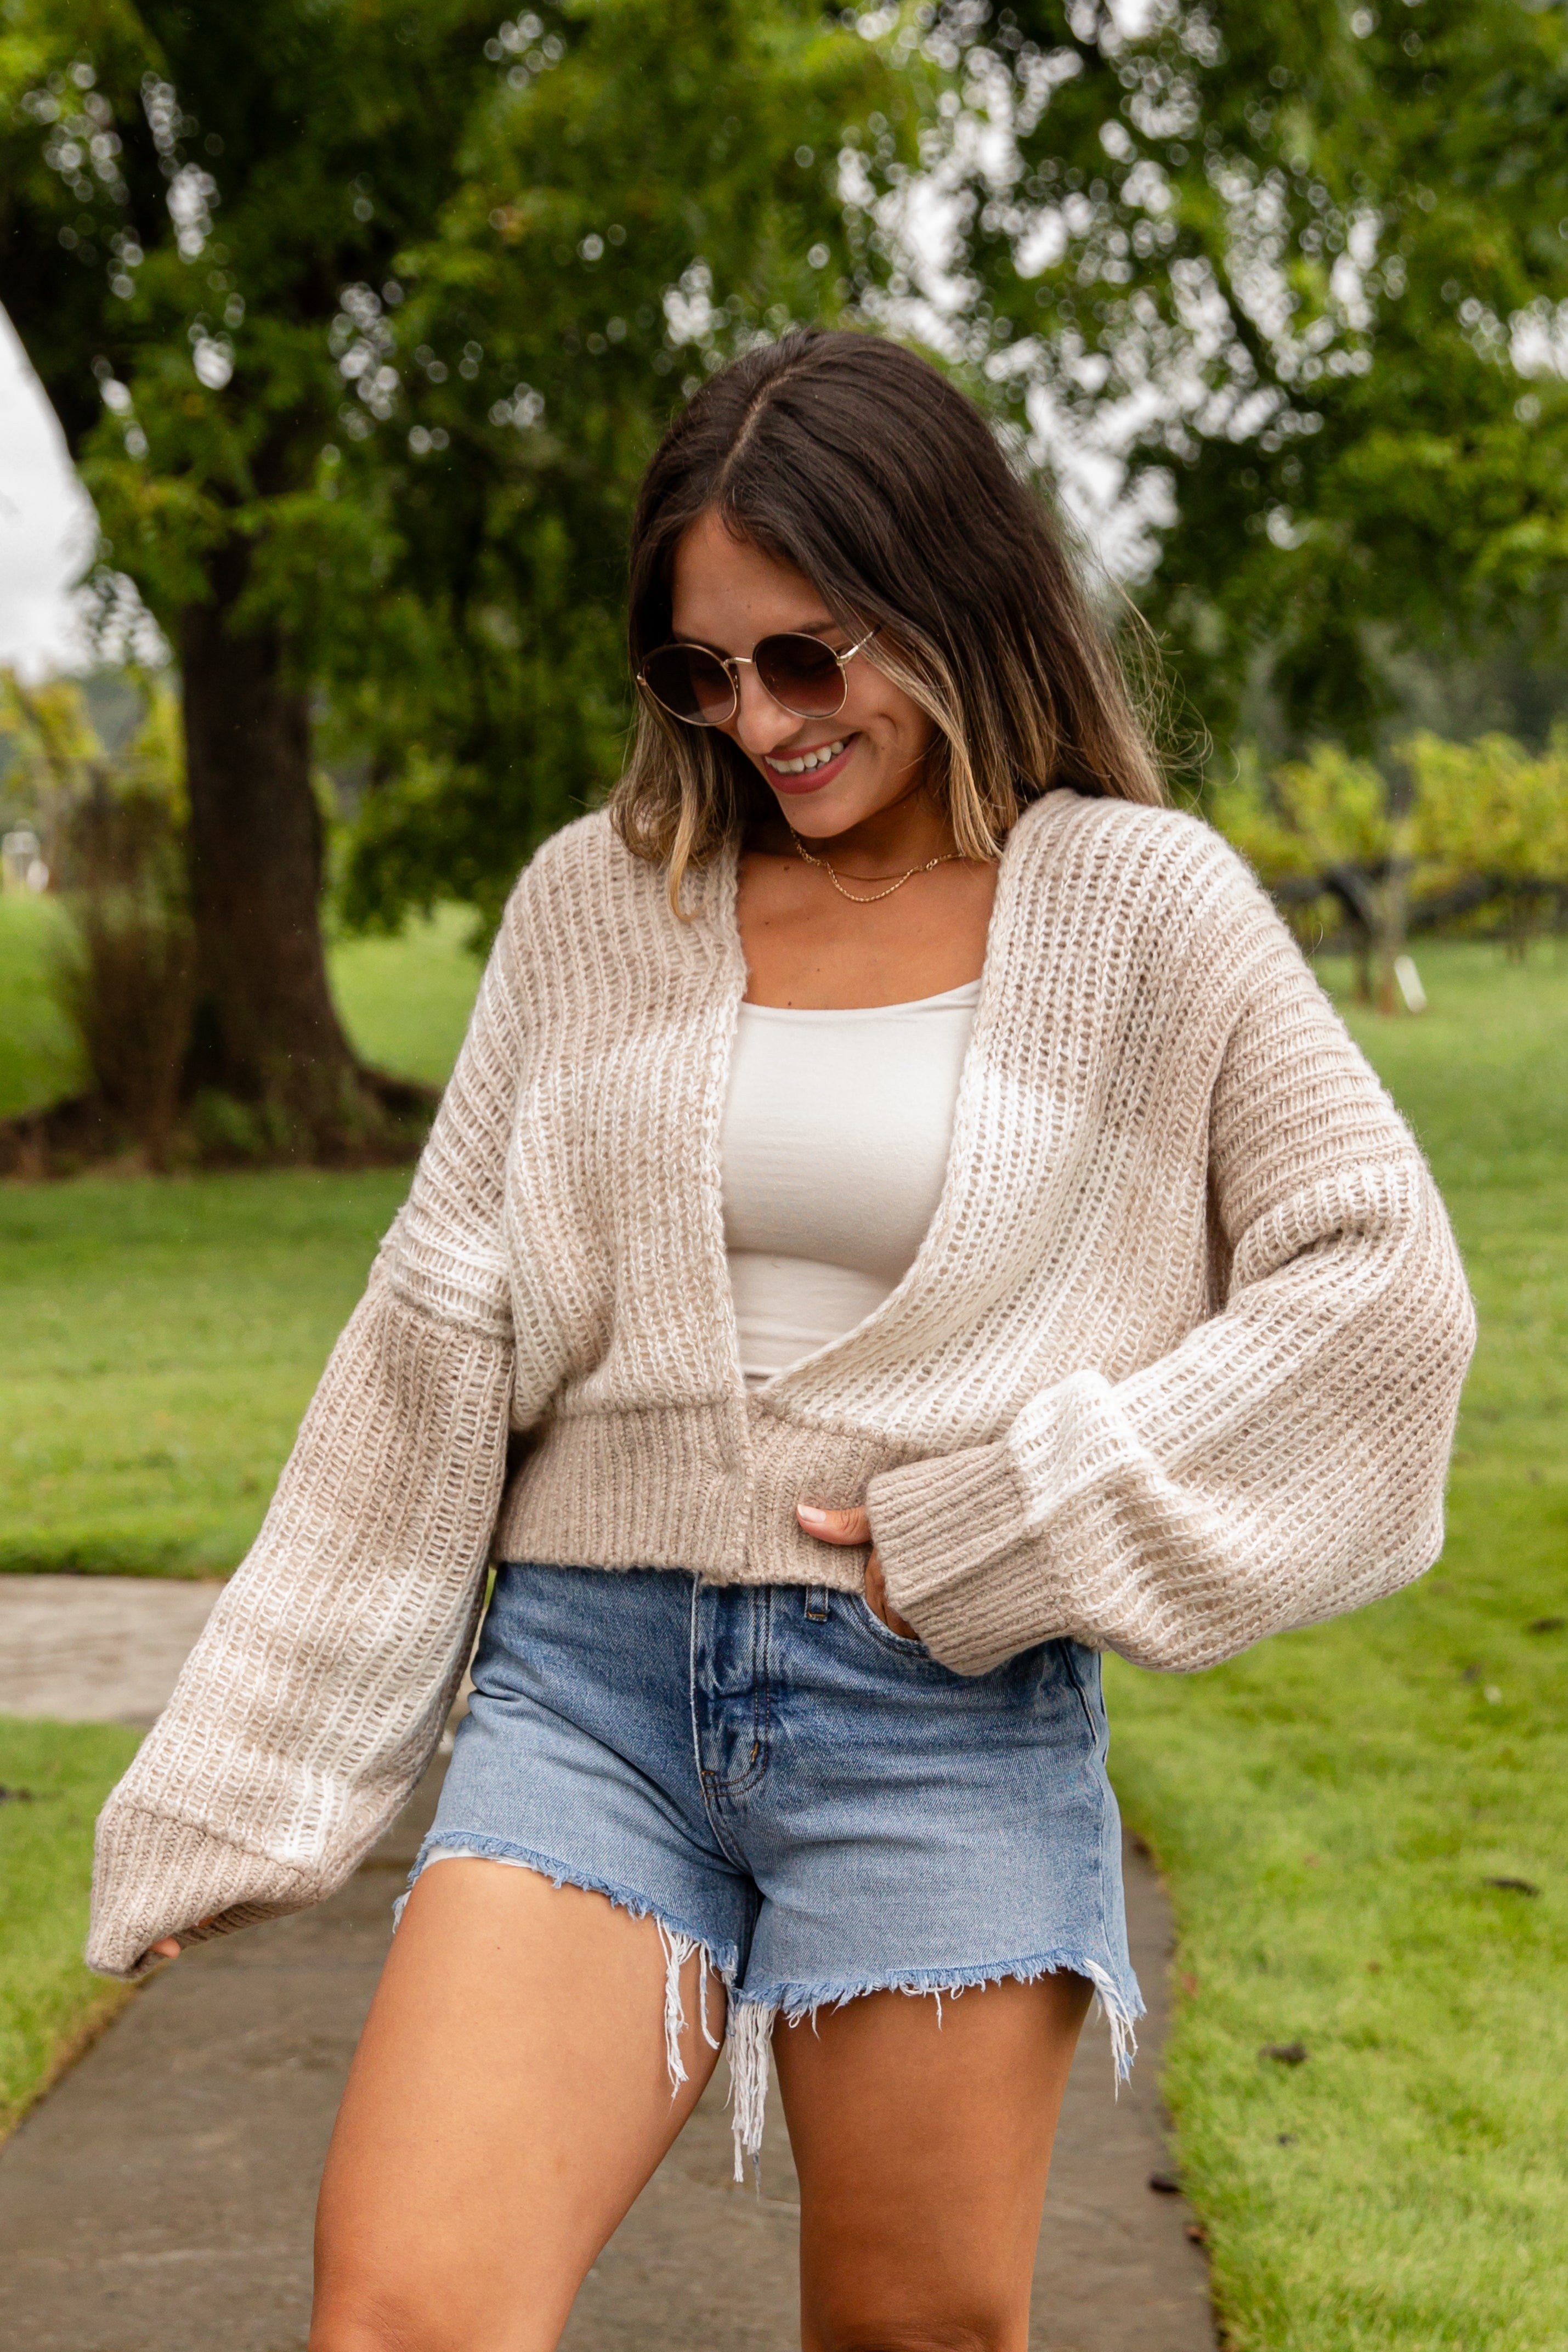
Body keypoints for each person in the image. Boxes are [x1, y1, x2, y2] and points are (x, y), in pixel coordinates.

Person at [88, 328, 1473, 2352]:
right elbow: (432, 1336)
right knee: (402, 2317)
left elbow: (1381, 1293)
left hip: (939, 1721)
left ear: (949, 599)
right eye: (700, 672)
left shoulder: (1144, 911)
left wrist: (1014, 1520)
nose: (758, 721)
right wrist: (248, 1772)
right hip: (588, 1696)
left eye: (807, 658)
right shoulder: (599, 903)